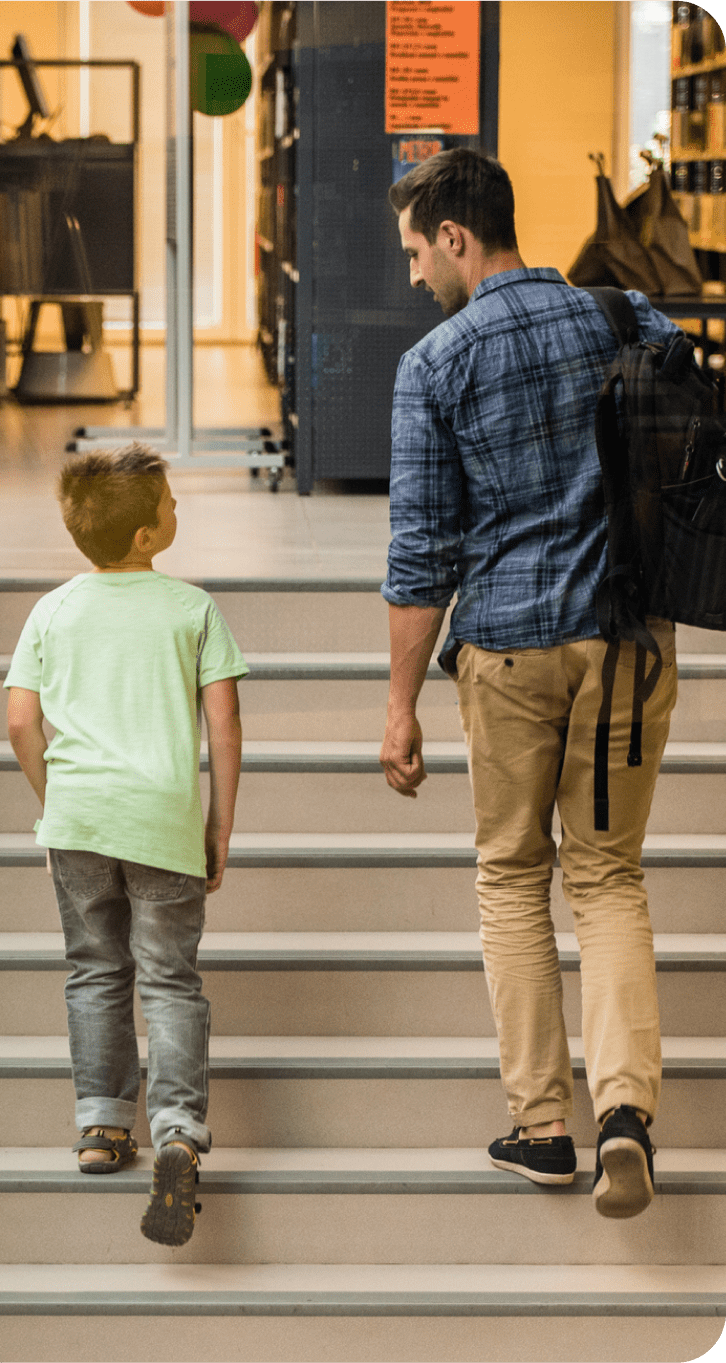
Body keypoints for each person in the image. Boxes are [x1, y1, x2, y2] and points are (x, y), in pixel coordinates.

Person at [379, 148, 681, 1219]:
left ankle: (544, 1125)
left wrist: (400, 705)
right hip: (629, 642)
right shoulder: (625, 316)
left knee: (513, 876)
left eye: (418, 252)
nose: (416, 275)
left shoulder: (436, 365)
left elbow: (421, 559)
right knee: (609, 878)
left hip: (508, 650)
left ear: (456, 238)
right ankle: (626, 1117)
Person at [4, 443, 246, 1246]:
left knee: (95, 967)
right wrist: (218, 823)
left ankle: (103, 1125)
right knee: (170, 981)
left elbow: (17, 719)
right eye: (170, 502)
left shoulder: (53, 609)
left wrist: (56, 800)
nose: (177, 510)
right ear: (146, 535)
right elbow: (225, 724)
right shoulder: (192, 609)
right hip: (165, 823)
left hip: (77, 820)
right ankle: (176, 1130)